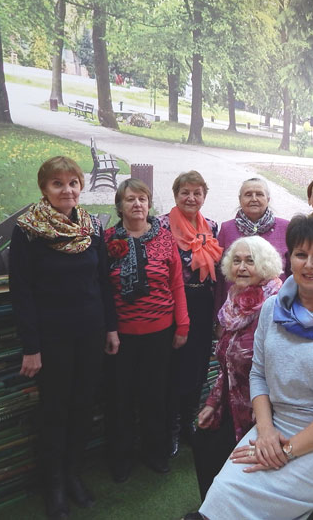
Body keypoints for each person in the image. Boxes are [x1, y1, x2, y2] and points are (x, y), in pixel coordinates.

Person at [198, 214, 313, 519]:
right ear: (289, 259)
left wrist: (288, 450)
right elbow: (258, 374)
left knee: (260, 504)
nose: (309, 265)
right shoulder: (271, 309)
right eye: (301, 254)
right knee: (223, 492)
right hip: (275, 426)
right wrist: (266, 432)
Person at [9, 156, 119, 520]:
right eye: (58, 184)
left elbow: (103, 282)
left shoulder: (91, 228)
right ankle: (53, 485)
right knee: (55, 411)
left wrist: (111, 328)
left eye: (73, 183)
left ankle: (73, 474)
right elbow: (21, 293)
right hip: (52, 338)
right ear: (44, 189)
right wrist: (31, 347)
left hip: (90, 333)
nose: (67, 190)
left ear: (81, 186)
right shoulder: (28, 231)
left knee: (83, 407)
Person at [187, 236, 283, 516]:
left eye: (250, 261)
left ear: (264, 265)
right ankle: (211, 509)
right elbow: (228, 363)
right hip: (232, 400)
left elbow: (278, 368)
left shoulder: (275, 304)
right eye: (237, 260)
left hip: (262, 408)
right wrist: (211, 404)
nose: (241, 267)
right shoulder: (234, 300)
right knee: (202, 441)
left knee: (230, 456)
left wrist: (264, 415)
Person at [104, 178, 189, 481]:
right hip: (121, 336)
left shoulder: (164, 238)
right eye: (130, 199)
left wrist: (183, 324)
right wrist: (109, 328)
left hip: (159, 332)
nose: (137, 204)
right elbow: (102, 288)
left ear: (149, 204)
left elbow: (176, 283)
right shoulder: (107, 239)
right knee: (121, 399)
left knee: (155, 397)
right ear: (120, 206)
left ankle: (155, 452)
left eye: (142, 199)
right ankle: (121, 457)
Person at [159, 171, 223, 458]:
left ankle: (188, 423)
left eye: (197, 193)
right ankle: (171, 428)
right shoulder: (162, 226)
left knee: (198, 368)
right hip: (174, 306)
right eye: (185, 192)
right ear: (176, 195)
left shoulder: (211, 227)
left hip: (202, 305)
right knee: (175, 369)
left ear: (204, 197)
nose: (191, 198)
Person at [214, 178, 289, 313]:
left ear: (268, 199)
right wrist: (217, 313)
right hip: (236, 309)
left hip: (275, 308)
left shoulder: (285, 228)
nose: (254, 199)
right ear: (240, 199)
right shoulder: (227, 229)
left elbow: (292, 272)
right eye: (248, 194)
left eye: (259, 194)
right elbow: (220, 276)